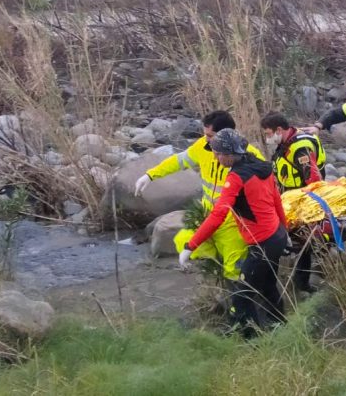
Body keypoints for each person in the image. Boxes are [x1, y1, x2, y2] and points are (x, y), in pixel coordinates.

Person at [178, 129, 289, 338]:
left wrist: (190, 246)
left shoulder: (236, 177)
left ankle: (253, 342)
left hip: (262, 243)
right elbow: (276, 201)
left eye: (218, 153)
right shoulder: (261, 167)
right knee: (268, 286)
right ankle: (279, 328)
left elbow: (218, 214)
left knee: (241, 295)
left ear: (229, 154)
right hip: (277, 236)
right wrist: (286, 230)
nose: (216, 157)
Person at [135, 110, 265, 283]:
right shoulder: (202, 147)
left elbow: (266, 190)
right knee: (183, 240)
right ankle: (218, 273)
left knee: (234, 269)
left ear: (225, 136)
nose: (206, 139)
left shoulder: (250, 155)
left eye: (210, 135)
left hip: (234, 221)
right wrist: (150, 175)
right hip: (208, 215)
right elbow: (178, 161)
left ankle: (241, 304)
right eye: (205, 134)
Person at [261, 111, 326, 294]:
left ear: (279, 130)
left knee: (303, 243)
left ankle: (302, 284)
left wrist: (305, 209)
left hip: (303, 201)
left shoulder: (300, 148)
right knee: (296, 242)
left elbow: (313, 180)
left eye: (268, 134)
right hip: (290, 197)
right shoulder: (287, 141)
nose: (267, 138)